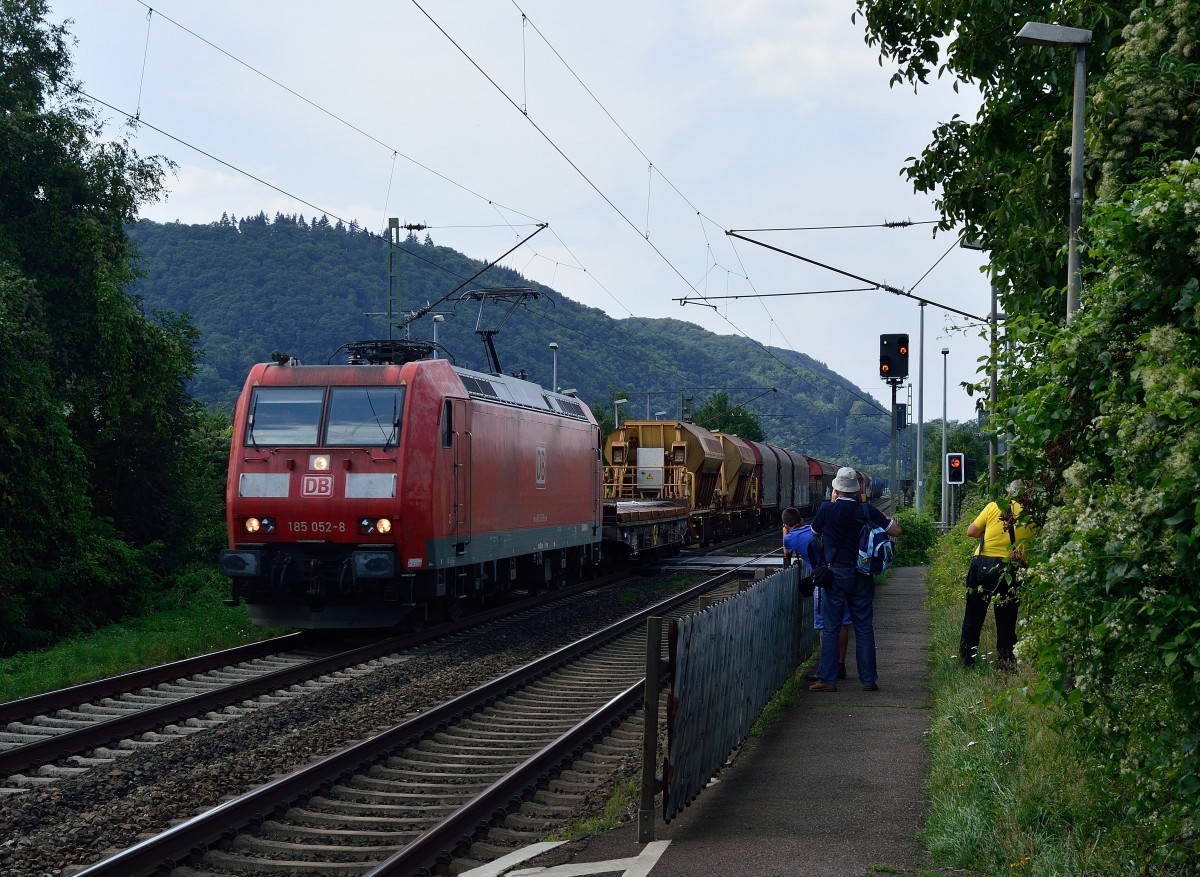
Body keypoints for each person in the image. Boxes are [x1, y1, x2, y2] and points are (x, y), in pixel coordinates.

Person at [808, 467, 901, 692]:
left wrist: (832, 503)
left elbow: (815, 533)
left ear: (836, 489)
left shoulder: (825, 510)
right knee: (863, 627)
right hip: (862, 573)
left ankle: (828, 680)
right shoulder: (866, 510)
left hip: (836, 574)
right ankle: (868, 680)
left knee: (831, 627)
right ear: (857, 490)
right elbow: (896, 531)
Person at [959, 480, 1035, 671]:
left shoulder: (994, 507)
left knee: (973, 616)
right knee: (1007, 620)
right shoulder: (1033, 515)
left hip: (983, 565)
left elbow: (971, 531)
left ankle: (967, 661)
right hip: (1012, 568)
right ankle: (1006, 664)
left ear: (1009, 493)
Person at [781, 506, 851, 679]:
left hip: (822, 581)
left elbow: (786, 554)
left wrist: (784, 533)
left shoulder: (790, 537)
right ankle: (840, 665)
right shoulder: (813, 529)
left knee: (823, 626)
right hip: (839, 574)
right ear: (802, 521)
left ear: (786, 524)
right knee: (842, 622)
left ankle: (825, 670)